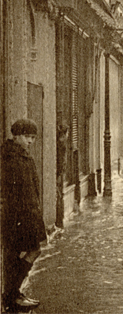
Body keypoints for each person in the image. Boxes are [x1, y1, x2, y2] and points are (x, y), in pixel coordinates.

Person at [1, 119, 46, 311]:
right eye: (27, 137)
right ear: (16, 135)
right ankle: (11, 295)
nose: (30, 141)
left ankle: (13, 293)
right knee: (20, 253)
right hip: (18, 216)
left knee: (28, 252)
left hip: (28, 214)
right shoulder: (10, 158)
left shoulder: (21, 156)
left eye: (33, 138)